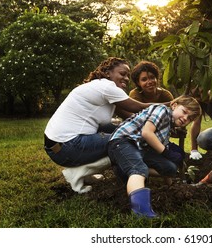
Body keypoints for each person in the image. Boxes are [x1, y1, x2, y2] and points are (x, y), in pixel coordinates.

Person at [44, 57, 151, 194]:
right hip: (67, 147)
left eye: (128, 76)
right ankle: (77, 173)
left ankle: (86, 173)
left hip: (58, 146)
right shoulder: (107, 86)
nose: (126, 79)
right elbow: (139, 108)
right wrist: (172, 105)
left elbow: (130, 119)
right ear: (108, 73)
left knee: (121, 131)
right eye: (122, 74)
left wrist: (151, 128)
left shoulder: (101, 89)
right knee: (122, 141)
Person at [107, 95, 201, 218]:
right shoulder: (161, 109)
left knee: (170, 168)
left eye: (189, 118)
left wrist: (171, 186)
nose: (185, 118)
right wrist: (166, 153)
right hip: (123, 142)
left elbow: (157, 151)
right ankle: (142, 212)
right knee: (139, 169)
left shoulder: (168, 128)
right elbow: (147, 133)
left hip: (141, 149)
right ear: (174, 105)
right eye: (184, 112)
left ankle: (124, 167)